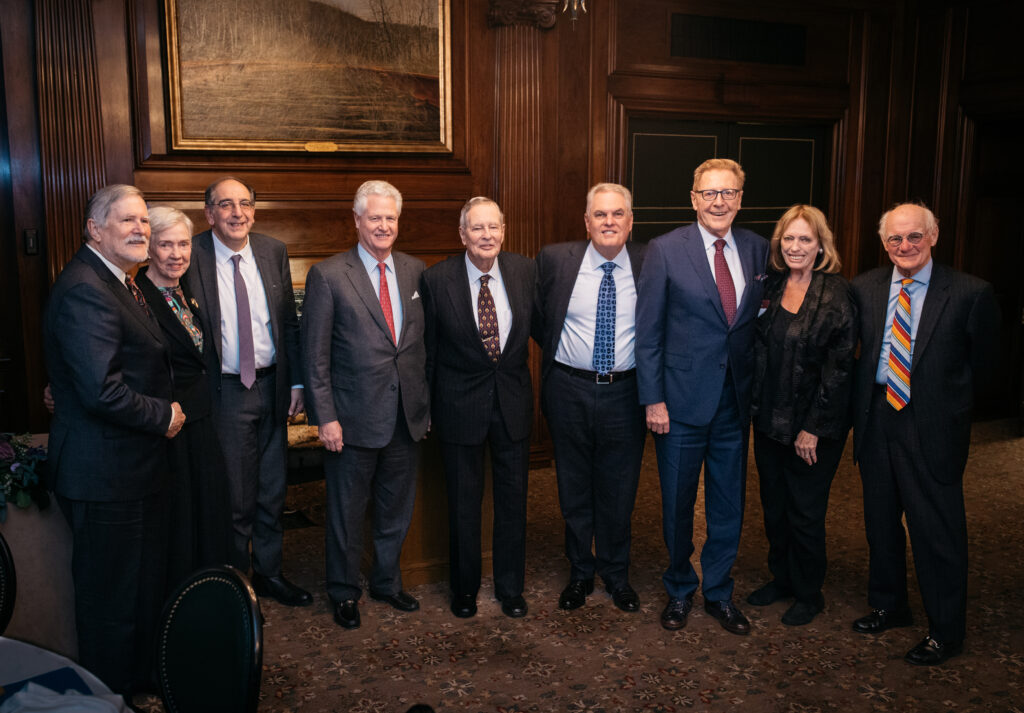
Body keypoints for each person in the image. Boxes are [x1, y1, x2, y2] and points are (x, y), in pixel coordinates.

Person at [43, 184, 185, 698]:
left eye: (144, 220)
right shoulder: (86, 286)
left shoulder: (121, 282)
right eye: (127, 220)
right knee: (110, 605)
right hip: (103, 475)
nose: (141, 229)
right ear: (94, 229)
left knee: (140, 591)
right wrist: (163, 415)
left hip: (132, 471)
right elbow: (101, 389)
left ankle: (138, 687)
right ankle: (108, 699)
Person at [850, 202, 999, 665]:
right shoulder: (865, 288)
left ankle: (946, 630)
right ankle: (889, 605)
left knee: (937, 532)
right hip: (877, 418)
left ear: (933, 236)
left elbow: (989, 370)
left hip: (930, 426)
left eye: (914, 236)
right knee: (880, 524)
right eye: (895, 239)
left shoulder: (971, 293)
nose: (905, 246)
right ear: (884, 243)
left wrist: (947, 409)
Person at [636, 158, 768, 634]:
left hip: (734, 404)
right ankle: (678, 588)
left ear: (739, 199)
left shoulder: (757, 249)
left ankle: (718, 591)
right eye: (709, 193)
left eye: (728, 193)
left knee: (728, 504)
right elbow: (647, 333)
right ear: (693, 199)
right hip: (679, 405)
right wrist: (653, 399)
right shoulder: (666, 250)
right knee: (676, 504)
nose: (719, 201)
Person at [301, 180, 430, 630]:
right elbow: (314, 355)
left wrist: (424, 407)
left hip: (405, 417)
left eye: (390, 218)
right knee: (346, 513)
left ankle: (387, 582)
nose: (383, 226)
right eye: (374, 217)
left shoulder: (416, 271)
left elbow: (420, 348)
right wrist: (326, 417)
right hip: (351, 420)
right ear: (356, 220)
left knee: (396, 507)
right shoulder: (329, 275)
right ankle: (343, 591)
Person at [186, 177, 310, 607]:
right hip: (224, 393)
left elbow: (288, 325)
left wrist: (296, 383)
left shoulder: (272, 250)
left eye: (244, 204)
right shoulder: (192, 254)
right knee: (236, 500)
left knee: (273, 491)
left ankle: (271, 574)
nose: (237, 213)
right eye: (226, 205)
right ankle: (238, 590)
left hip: (274, 386)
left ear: (254, 212)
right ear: (209, 214)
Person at [534, 183, 647, 613]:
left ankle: (616, 575)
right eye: (600, 215)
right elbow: (539, 320)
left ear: (630, 221)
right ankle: (580, 573)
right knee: (574, 487)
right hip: (569, 389)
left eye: (618, 214)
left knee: (620, 489)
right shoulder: (555, 260)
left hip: (626, 392)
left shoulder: (648, 262)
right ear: (586, 222)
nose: (609, 222)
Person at [421, 197, 535, 619]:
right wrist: (426, 407)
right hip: (457, 406)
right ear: (462, 234)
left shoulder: (525, 271)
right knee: (463, 504)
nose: (487, 236)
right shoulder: (437, 280)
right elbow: (428, 352)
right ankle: (464, 589)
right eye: (477, 228)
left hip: (513, 405)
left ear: (503, 230)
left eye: (494, 227)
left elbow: (543, 328)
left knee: (513, 502)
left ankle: (511, 588)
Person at [746, 205, 856, 626]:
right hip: (769, 422)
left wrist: (812, 428)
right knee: (773, 507)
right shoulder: (771, 285)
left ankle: (809, 593)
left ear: (820, 245)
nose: (795, 247)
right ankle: (783, 579)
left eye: (804, 240)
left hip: (811, 428)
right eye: (788, 239)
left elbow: (840, 367)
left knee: (805, 512)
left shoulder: (835, 293)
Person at [136, 206, 231, 584]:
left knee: (209, 517)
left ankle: (212, 599)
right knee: (179, 527)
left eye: (182, 244)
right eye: (165, 245)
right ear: (148, 249)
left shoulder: (187, 290)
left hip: (201, 421)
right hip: (168, 430)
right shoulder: (137, 296)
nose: (177, 254)